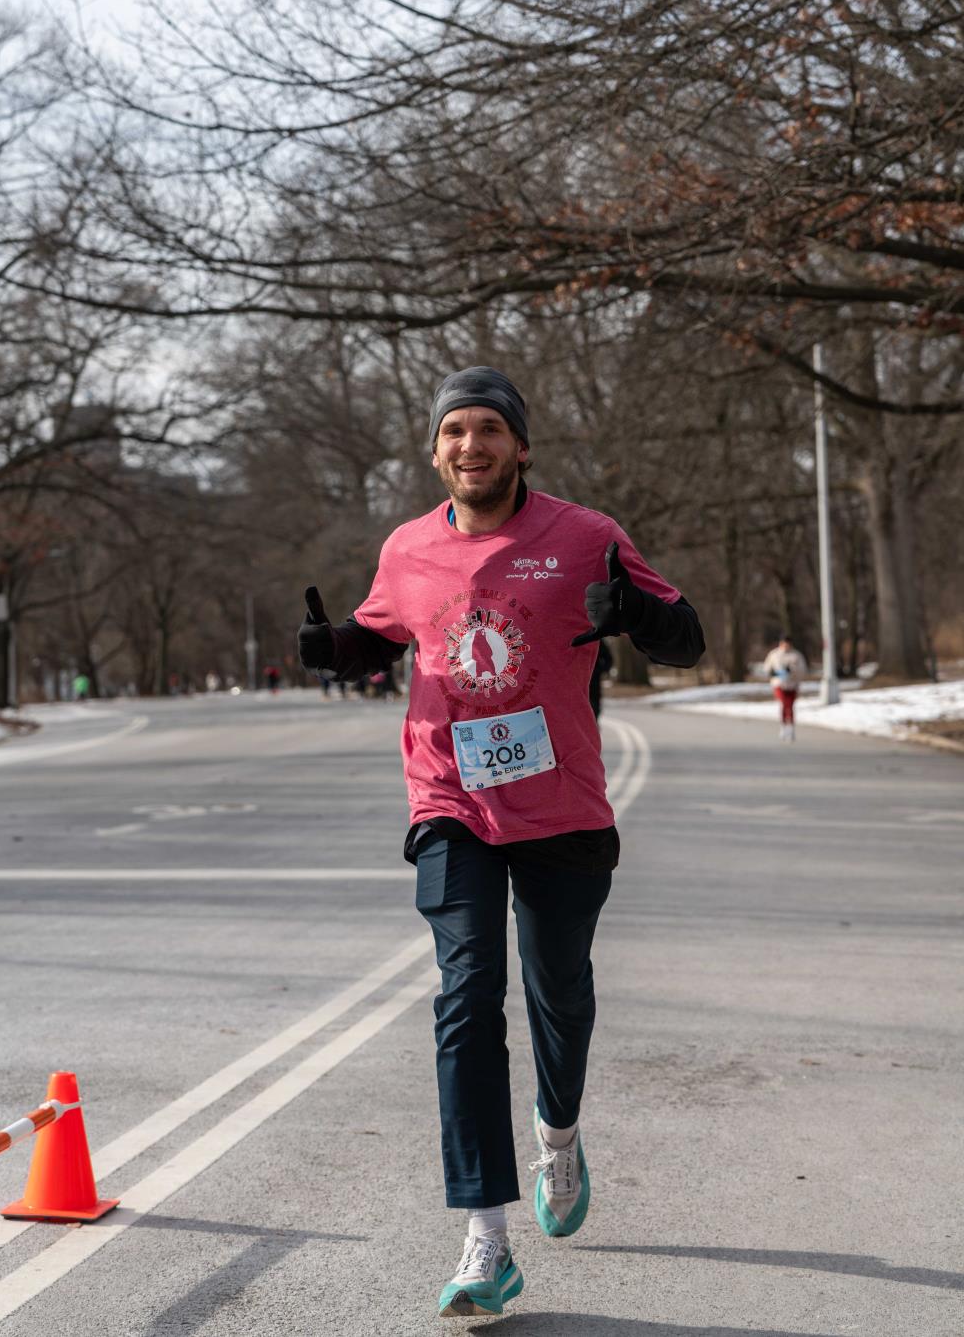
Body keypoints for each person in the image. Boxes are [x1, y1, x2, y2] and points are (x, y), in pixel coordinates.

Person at [298, 367, 705, 1320]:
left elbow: (685, 638)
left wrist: (635, 615)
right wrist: (338, 650)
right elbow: (381, 632)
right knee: (467, 995)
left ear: (521, 446)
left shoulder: (587, 535)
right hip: (452, 800)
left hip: (561, 805)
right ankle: (485, 1232)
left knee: (559, 992)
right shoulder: (407, 547)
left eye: (488, 428)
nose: (470, 445)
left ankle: (558, 1135)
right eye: (455, 430)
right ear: (434, 449)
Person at [763, 634, 808, 741]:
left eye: (788, 644)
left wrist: (792, 670)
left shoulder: (796, 655)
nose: (786, 646)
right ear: (780, 643)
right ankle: (783, 727)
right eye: (784, 643)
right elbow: (767, 668)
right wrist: (773, 673)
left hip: (792, 685)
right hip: (779, 684)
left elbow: (803, 670)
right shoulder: (774, 654)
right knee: (784, 704)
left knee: (790, 706)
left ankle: (791, 728)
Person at [588, 638, 614, 722]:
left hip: (594, 678)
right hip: (577, 680)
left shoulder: (597, 639)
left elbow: (608, 658)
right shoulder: (573, 636)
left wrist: (600, 670)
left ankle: (594, 723)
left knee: (595, 703)